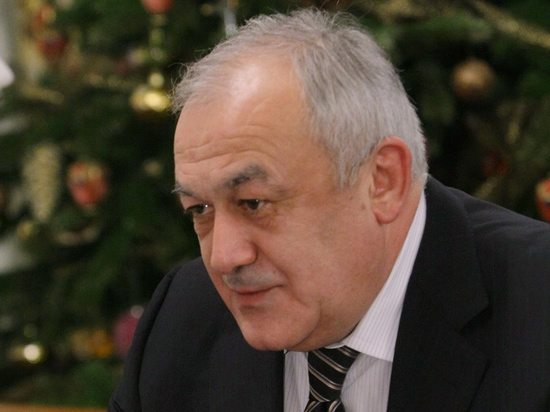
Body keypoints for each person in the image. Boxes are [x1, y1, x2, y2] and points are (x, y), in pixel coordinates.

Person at [108, 9, 550, 412]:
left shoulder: (536, 310)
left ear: (383, 181)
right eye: (200, 209)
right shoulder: (182, 321)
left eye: (254, 203)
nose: (224, 258)